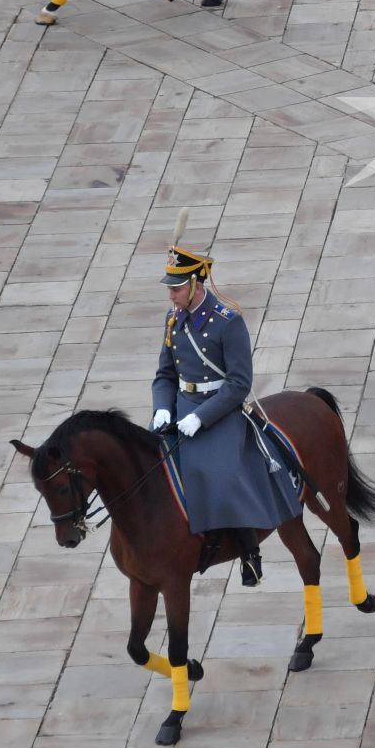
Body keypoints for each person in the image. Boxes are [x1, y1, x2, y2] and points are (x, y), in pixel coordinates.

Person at [152, 241, 302, 586]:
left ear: (195, 285)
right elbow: (165, 375)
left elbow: (238, 383)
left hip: (219, 410)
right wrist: (162, 408)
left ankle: (248, 552)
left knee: (221, 472)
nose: (171, 296)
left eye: (176, 289)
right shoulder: (173, 320)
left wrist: (200, 418)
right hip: (180, 406)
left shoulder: (227, 322)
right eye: (170, 289)